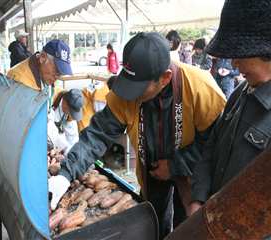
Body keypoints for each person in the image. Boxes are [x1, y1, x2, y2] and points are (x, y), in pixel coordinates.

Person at [49, 32, 226, 239]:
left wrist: (174, 166)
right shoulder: (126, 92)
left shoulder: (201, 88)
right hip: (151, 171)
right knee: (153, 222)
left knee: (184, 227)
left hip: (191, 173)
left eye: (139, 89)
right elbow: (98, 134)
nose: (130, 95)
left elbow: (212, 145)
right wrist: (66, 174)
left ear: (165, 78)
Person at [189, 0, 271, 216]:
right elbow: (212, 145)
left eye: (240, 54)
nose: (234, 64)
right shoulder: (240, 92)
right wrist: (198, 196)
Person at [0, 39, 72, 175]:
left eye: (60, 73)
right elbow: (14, 128)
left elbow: (46, 113)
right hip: (9, 150)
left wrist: (58, 141)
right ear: (43, 58)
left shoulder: (47, 78)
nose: (57, 76)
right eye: (56, 70)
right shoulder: (19, 80)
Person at [48, 88, 84, 153]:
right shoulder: (51, 100)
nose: (71, 115)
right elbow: (49, 127)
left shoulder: (70, 115)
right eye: (71, 112)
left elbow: (72, 138)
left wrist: (72, 153)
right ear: (64, 103)